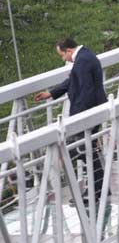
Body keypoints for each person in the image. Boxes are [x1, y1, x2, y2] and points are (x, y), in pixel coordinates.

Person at [34, 39, 108, 210]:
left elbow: (86, 91)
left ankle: (96, 191)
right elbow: (72, 82)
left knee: (80, 150)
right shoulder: (84, 57)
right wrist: (51, 94)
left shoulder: (82, 61)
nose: (63, 59)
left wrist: (77, 119)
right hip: (93, 110)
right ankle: (99, 188)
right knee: (86, 149)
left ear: (68, 50)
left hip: (88, 112)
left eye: (62, 55)